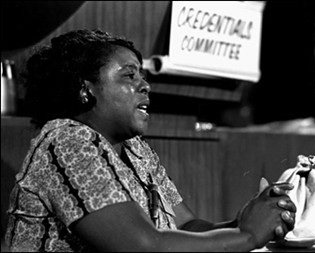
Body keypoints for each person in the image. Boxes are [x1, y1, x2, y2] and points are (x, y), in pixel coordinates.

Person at [5, 29, 296, 252]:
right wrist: (247, 236)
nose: (145, 85)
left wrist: (246, 219)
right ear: (86, 90)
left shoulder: (135, 149)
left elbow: (185, 226)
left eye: (142, 76)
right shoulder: (67, 140)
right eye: (128, 76)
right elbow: (144, 246)